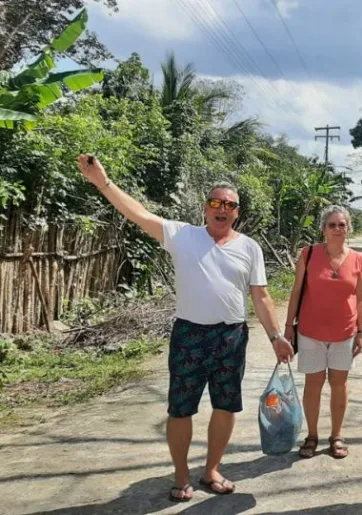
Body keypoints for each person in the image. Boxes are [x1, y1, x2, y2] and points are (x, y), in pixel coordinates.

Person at [76, 155, 294, 503]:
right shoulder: (182, 235)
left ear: (237, 212)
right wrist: (103, 182)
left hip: (231, 337)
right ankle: (181, 474)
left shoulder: (249, 248)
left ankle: (211, 469)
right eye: (215, 203)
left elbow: (262, 296)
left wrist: (276, 336)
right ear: (205, 208)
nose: (222, 209)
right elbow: (138, 214)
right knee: (181, 409)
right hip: (189, 336)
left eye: (230, 205)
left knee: (226, 407)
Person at [284, 205, 362, 460]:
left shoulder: (357, 260)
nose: (338, 229)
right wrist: (289, 328)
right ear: (323, 229)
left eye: (342, 224)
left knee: (339, 384)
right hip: (310, 332)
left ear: (348, 228)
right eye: (332, 225)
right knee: (314, 384)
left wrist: (361, 330)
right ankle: (311, 435)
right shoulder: (309, 255)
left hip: (344, 332)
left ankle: (337, 435)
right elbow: (297, 291)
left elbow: (360, 299)